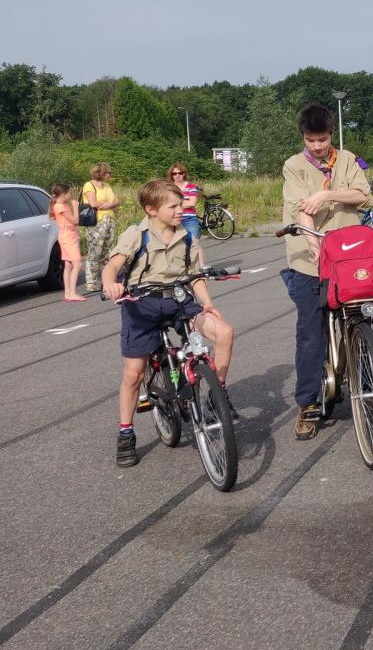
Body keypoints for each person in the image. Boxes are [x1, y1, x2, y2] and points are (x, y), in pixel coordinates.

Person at [102, 179, 235, 468]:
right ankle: (126, 433)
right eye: (173, 206)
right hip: (142, 303)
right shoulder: (136, 235)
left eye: (181, 203)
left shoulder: (187, 235)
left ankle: (216, 397)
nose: (181, 209)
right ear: (151, 209)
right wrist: (110, 283)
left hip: (179, 300)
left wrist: (207, 303)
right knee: (134, 374)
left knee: (224, 333)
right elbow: (113, 264)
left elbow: (195, 275)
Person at [280, 104, 371, 440]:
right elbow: (301, 212)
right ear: (303, 137)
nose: (317, 146)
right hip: (309, 258)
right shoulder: (293, 166)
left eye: (322, 139)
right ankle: (306, 404)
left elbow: (363, 195)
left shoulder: (346, 160)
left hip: (348, 255)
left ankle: (365, 379)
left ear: (332, 134)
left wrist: (328, 193)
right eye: (311, 139)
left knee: (362, 317)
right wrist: (317, 249)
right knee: (311, 332)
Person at [81, 162, 121, 293]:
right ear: (101, 173)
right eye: (108, 172)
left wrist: (108, 204)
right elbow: (93, 203)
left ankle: (106, 280)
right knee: (95, 251)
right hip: (97, 222)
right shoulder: (89, 185)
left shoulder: (107, 186)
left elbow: (117, 201)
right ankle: (91, 282)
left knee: (108, 251)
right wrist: (110, 204)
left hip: (110, 219)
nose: (110, 175)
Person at [48, 184, 84, 301]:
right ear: (63, 194)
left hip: (68, 236)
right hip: (68, 238)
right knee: (77, 264)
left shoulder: (61, 206)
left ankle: (68, 293)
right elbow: (75, 220)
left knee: (68, 265)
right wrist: (76, 207)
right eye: (68, 193)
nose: (70, 195)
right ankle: (72, 292)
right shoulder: (60, 207)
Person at [170, 164, 207, 268]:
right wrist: (184, 202)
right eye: (174, 173)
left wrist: (176, 205)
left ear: (184, 174)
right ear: (171, 175)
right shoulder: (169, 187)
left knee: (194, 242)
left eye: (180, 173)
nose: (177, 175)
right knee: (175, 244)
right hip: (173, 219)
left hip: (189, 218)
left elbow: (192, 203)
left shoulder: (191, 187)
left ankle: (202, 267)